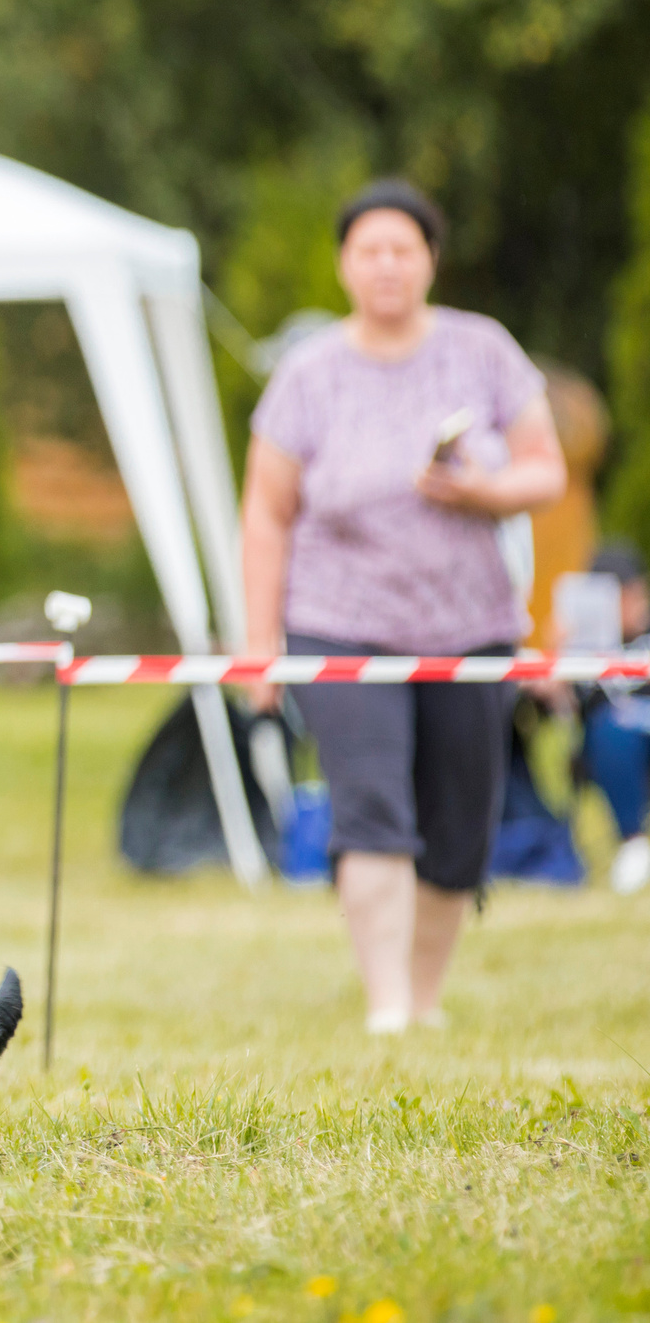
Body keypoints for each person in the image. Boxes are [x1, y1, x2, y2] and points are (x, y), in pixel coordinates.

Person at [241, 179, 566, 1034]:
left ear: (430, 259)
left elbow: (547, 470)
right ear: (346, 264)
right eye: (369, 249)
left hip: (470, 627)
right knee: (372, 805)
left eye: (404, 248)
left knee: (461, 821)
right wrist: (258, 646)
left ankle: (426, 999)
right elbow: (266, 516)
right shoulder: (308, 374)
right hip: (338, 622)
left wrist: (484, 490)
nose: (387, 265)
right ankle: (386, 1001)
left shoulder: (483, 350)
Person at [565, 541, 650, 895]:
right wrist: (560, 664)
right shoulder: (584, 646)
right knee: (610, 732)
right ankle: (633, 843)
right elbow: (564, 714)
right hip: (613, 745)